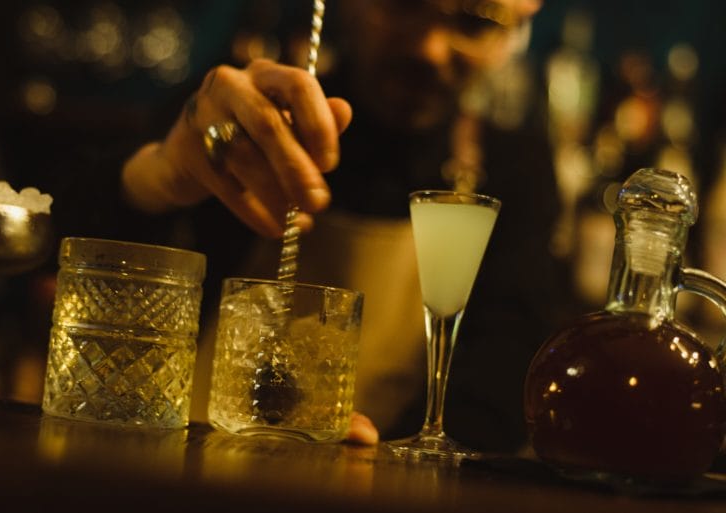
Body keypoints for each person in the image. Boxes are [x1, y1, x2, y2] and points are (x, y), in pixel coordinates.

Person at [98, 0, 571, 451]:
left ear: (518, 20)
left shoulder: (515, 170)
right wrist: (152, 179)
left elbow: (502, 379)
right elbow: (88, 269)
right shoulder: (238, 123)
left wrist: (377, 465)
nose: (427, 48)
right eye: (402, 3)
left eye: (475, 20)